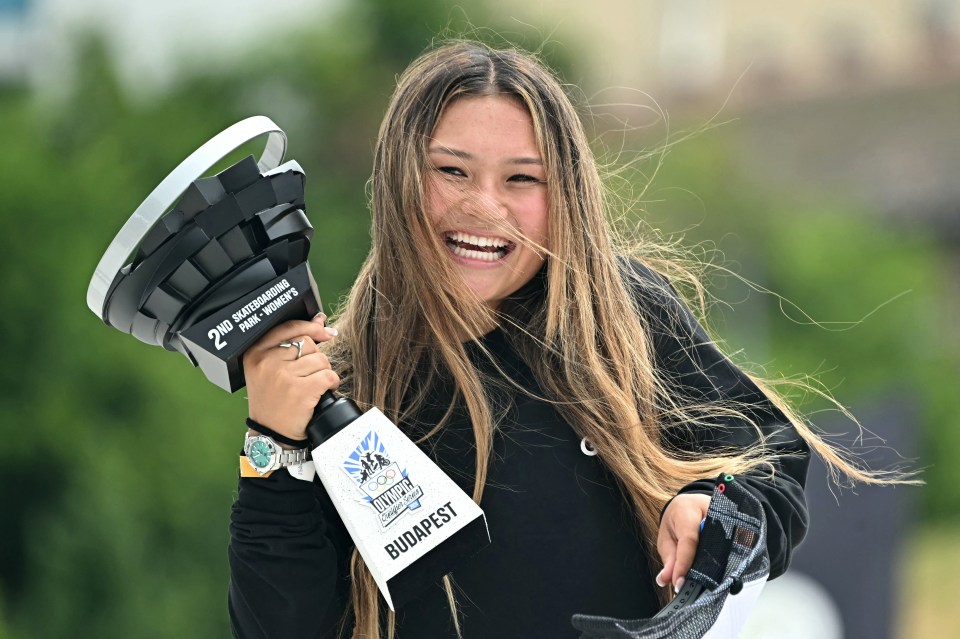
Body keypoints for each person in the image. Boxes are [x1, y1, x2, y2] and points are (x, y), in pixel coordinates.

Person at [227, 40, 875, 639]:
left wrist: (714, 510)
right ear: (399, 180)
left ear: (563, 189)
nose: (484, 205)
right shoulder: (336, 388)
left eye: (520, 178)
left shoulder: (622, 322)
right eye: (452, 170)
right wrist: (272, 444)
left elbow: (774, 462)